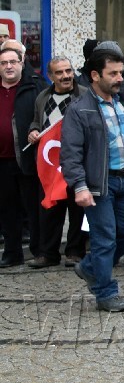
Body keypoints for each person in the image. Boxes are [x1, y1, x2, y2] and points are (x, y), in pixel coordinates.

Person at [61, 47, 124, 312]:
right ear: (95, 75)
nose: (120, 78)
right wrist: (80, 186)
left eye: (121, 72)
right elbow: (70, 153)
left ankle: (89, 267)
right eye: (114, 73)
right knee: (105, 238)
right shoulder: (79, 110)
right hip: (99, 185)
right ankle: (106, 293)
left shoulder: (123, 103)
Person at [27, 56, 86, 268]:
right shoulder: (42, 97)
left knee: (77, 209)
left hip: (77, 163)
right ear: (50, 76)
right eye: (59, 73)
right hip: (51, 165)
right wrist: (33, 131)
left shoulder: (85, 95)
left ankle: (75, 252)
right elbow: (36, 121)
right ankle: (48, 253)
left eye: (68, 71)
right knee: (50, 210)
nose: (66, 76)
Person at [0, 42, 46, 266]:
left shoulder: (35, 86)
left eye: (12, 62)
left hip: (27, 158)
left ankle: (39, 252)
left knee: (32, 208)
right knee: (7, 211)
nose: (8, 66)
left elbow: (46, 118)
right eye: (3, 63)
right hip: (2, 161)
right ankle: (12, 253)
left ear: (21, 63)